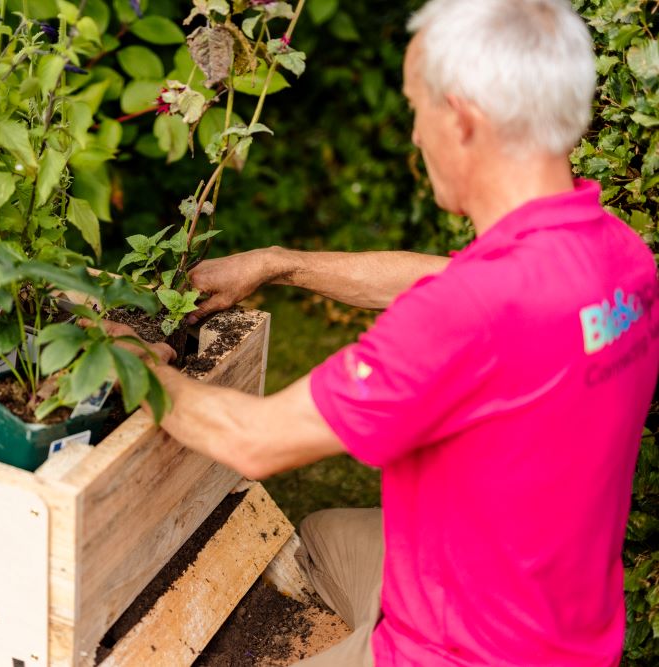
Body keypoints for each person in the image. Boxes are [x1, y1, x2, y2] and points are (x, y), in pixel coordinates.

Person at [117, 0, 659, 664]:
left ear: (461, 119)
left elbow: (253, 439)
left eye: (417, 108)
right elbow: (444, 278)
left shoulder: (468, 317)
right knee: (321, 537)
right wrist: (280, 263)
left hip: (454, 654)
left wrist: (133, 363)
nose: (414, 137)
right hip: (566, 629)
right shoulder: (621, 258)